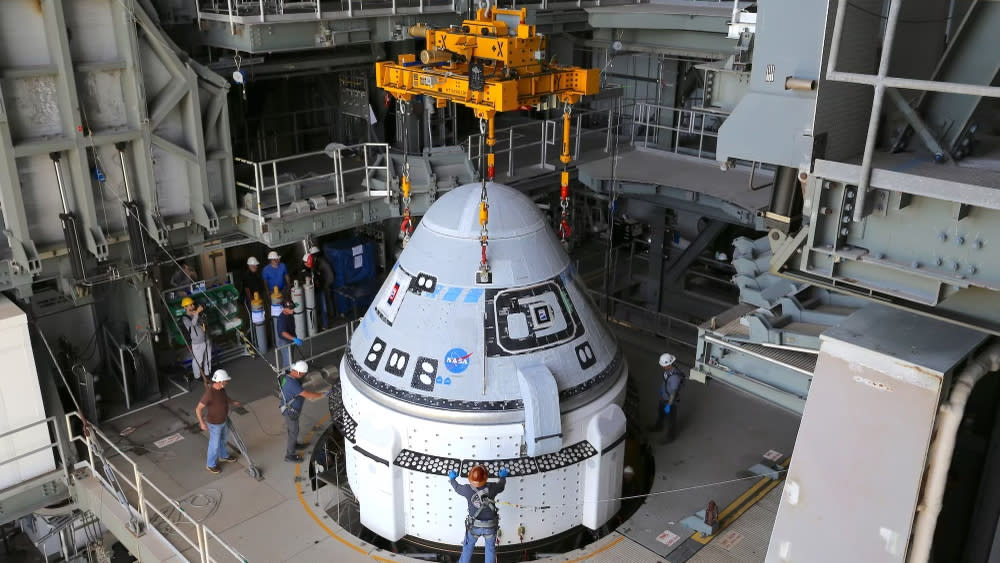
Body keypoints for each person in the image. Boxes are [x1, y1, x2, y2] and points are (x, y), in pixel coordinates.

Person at [448, 464, 509, 563]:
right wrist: (503, 476)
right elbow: (501, 486)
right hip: (490, 527)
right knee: (490, 550)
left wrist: (452, 479)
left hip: (473, 527)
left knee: (467, 548)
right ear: (486, 478)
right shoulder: (492, 488)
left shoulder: (467, 489)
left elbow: (457, 487)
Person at [279, 361, 327, 462]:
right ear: (299, 373)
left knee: (293, 431)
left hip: (289, 409)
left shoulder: (287, 376)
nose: (303, 376)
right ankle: (289, 455)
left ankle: (294, 445)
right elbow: (310, 396)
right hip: (291, 411)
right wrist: (324, 394)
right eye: (303, 374)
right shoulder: (292, 383)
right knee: (293, 432)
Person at [195, 370, 241, 474]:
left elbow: (225, 398)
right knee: (214, 445)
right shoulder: (209, 394)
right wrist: (202, 423)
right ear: (220, 381)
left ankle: (223, 456)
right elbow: (198, 409)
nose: (227, 382)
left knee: (223, 440)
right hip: (214, 424)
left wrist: (233, 402)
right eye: (226, 381)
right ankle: (210, 465)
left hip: (223, 421)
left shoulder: (221, 389)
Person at [652, 353, 685, 444]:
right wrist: (662, 390)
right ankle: (659, 426)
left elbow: (673, 393)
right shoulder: (667, 371)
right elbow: (665, 381)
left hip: (670, 401)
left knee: (671, 420)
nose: (663, 367)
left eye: (664, 365)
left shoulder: (675, 377)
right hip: (664, 397)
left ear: (669, 364)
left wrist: (669, 405)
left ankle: (670, 437)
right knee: (661, 413)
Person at [181, 296, 211, 380]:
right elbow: (192, 324)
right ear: (185, 307)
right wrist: (197, 313)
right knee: (198, 360)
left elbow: (205, 322)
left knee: (207, 358)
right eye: (189, 305)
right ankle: (197, 376)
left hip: (206, 338)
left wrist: (200, 313)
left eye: (192, 304)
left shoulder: (197, 313)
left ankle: (207, 373)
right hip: (197, 343)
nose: (192, 306)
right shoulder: (185, 318)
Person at [310, 246, 335, 328]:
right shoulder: (321, 260)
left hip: (325, 284)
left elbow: (326, 275)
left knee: (326, 301)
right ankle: (331, 316)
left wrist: (325, 284)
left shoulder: (320, 263)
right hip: (326, 283)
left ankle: (331, 316)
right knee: (327, 300)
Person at [275, 299, 301, 368]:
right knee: (288, 361)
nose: (292, 310)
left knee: (291, 359)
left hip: (291, 339)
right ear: (284, 309)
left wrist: (294, 337)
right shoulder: (282, 319)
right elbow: (283, 333)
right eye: (290, 308)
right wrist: (294, 339)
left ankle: (291, 374)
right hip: (284, 341)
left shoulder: (290, 314)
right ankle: (285, 377)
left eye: (293, 308)